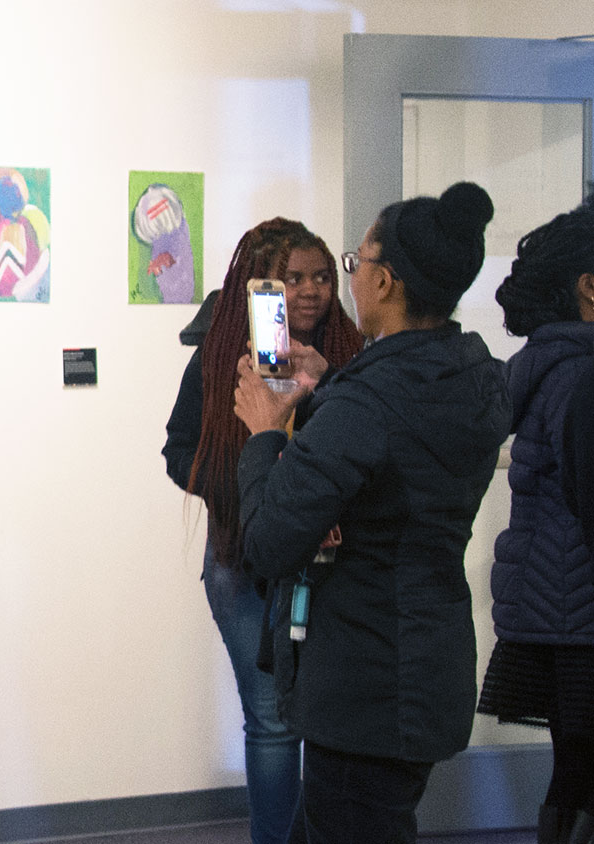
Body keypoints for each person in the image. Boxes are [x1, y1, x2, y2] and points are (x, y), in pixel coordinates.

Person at [232, 182, 510, 843]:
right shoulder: (475, 375)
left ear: (383, 282)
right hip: (422, 666)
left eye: (351, 267)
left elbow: (268, 543)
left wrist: (266, 431)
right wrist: (330, 386)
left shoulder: (368, 404)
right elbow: (402, 454)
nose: (342, 284)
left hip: (366, 687)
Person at [163, 218, 363, 844]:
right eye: (293, 279)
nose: (311, 291)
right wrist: (259, 490)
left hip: (334, 570)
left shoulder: (352, 358)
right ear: (261, 288)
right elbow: (179, 451)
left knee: (332, 718)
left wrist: (325, 382)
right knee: (275, 722)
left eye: (323, 277)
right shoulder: (221, 358)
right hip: (243, 564)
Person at [476, 200, 594, 844]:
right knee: (580, 780)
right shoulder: (582, 375)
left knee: (575, 775)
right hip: (580, 621)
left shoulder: (553, 368)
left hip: (560, 615)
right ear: (589, 288)